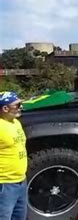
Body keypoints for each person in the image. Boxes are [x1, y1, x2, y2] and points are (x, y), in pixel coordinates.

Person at [0, 92, 27, 220]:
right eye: (17, 105)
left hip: (21, 181)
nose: (20, 107)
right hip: (4, 185)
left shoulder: (16, 122)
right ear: (5, 108)